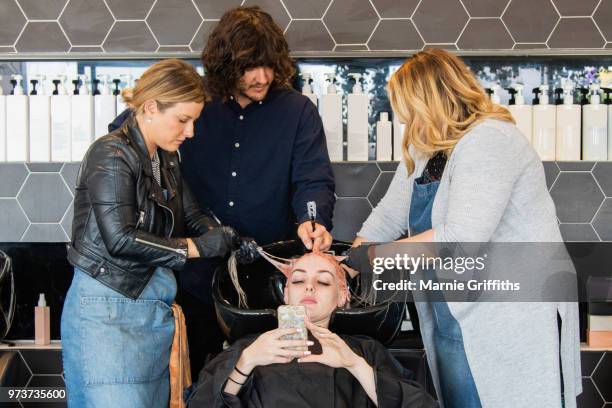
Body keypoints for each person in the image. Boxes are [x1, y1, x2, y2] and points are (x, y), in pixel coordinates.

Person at [347, 49, 582, 407]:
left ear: (432, 102)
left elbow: (460, 240)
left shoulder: (490, 140)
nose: (404, 121)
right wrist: (350, 257)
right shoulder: (428, 146)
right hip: (454, 306)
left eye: (409, 110)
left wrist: (374, 257)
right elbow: (391, 213)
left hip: (509, 312)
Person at [110, 6, 336, 377]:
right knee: (196, 370)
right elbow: (128, 133)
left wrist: (312, 221)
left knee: (271, 374)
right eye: (249, 66)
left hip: (269, 273)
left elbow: (313, 180)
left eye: (269, 65)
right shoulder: (195, 100)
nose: (262, 77)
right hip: (194, 268)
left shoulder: (298, 111)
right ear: (226, 64)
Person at [61, 59, 256, 407]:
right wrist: (197, 248)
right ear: (150, 107)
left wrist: (226, 237)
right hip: (108, 310)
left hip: (151, 311)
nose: (191, 131)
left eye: (194, 121)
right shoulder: (111, 153)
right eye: (183, 120)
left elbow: (192, 213)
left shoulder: (164, 158)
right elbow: (119, 238)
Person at [186, 252, 437, 407]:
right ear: (286, 294)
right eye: (298, 280)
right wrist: (245, 364)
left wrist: (354, 365)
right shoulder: (248, 348)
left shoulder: (364, 350)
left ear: (342, 297)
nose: (309, 287)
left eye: (324, 281)